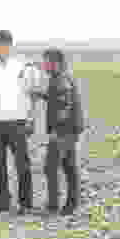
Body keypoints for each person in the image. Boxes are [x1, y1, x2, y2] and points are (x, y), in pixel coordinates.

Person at [0, 29, 37, 214]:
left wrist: (30, 119)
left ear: (10, 46)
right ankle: (2, 203)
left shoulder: (23, 67)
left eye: (1, 45)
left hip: (18, 122)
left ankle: (25, 204)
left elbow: (32, 95)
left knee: (22, 164)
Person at [33, 48, 83, 215]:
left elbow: (64, 105)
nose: (44, 65)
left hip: (63, 131)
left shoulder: (60, 79)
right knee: (69, 167)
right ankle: (71, 204)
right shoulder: (62, 77)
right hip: (71, 130)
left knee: (51, 167)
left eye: (46, 61)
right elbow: (58, 97)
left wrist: (56, 130)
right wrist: (42, 95)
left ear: (56, 63)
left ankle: (54, 204)